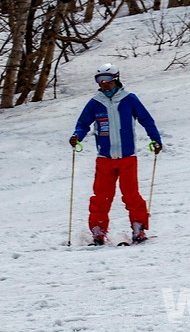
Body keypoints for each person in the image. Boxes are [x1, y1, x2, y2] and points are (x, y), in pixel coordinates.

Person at [68, 64, 162, 245]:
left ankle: (138, 228)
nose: (103, 84)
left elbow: (146, 120)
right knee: (101, 198)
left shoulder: (129, 99)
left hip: (128, 158)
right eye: (99, 80)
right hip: (105, 159)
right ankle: (98, 232)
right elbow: (82, 123)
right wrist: (76, 136)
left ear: (116, 79)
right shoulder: (95, 102)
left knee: (131, 195)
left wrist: (155, 139)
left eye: (107, 79)